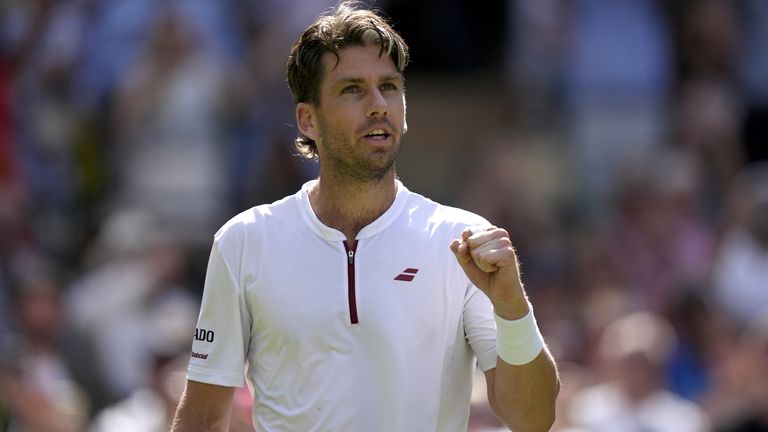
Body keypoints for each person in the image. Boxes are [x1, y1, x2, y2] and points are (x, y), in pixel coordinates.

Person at [171, 2, 559, 431]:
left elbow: (534, 418)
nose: (378, 105)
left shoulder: (462, 239)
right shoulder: (243, 241)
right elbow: (202, 419)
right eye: (352, 89)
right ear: (308, 119)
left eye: (389, 87)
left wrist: (512, 307)